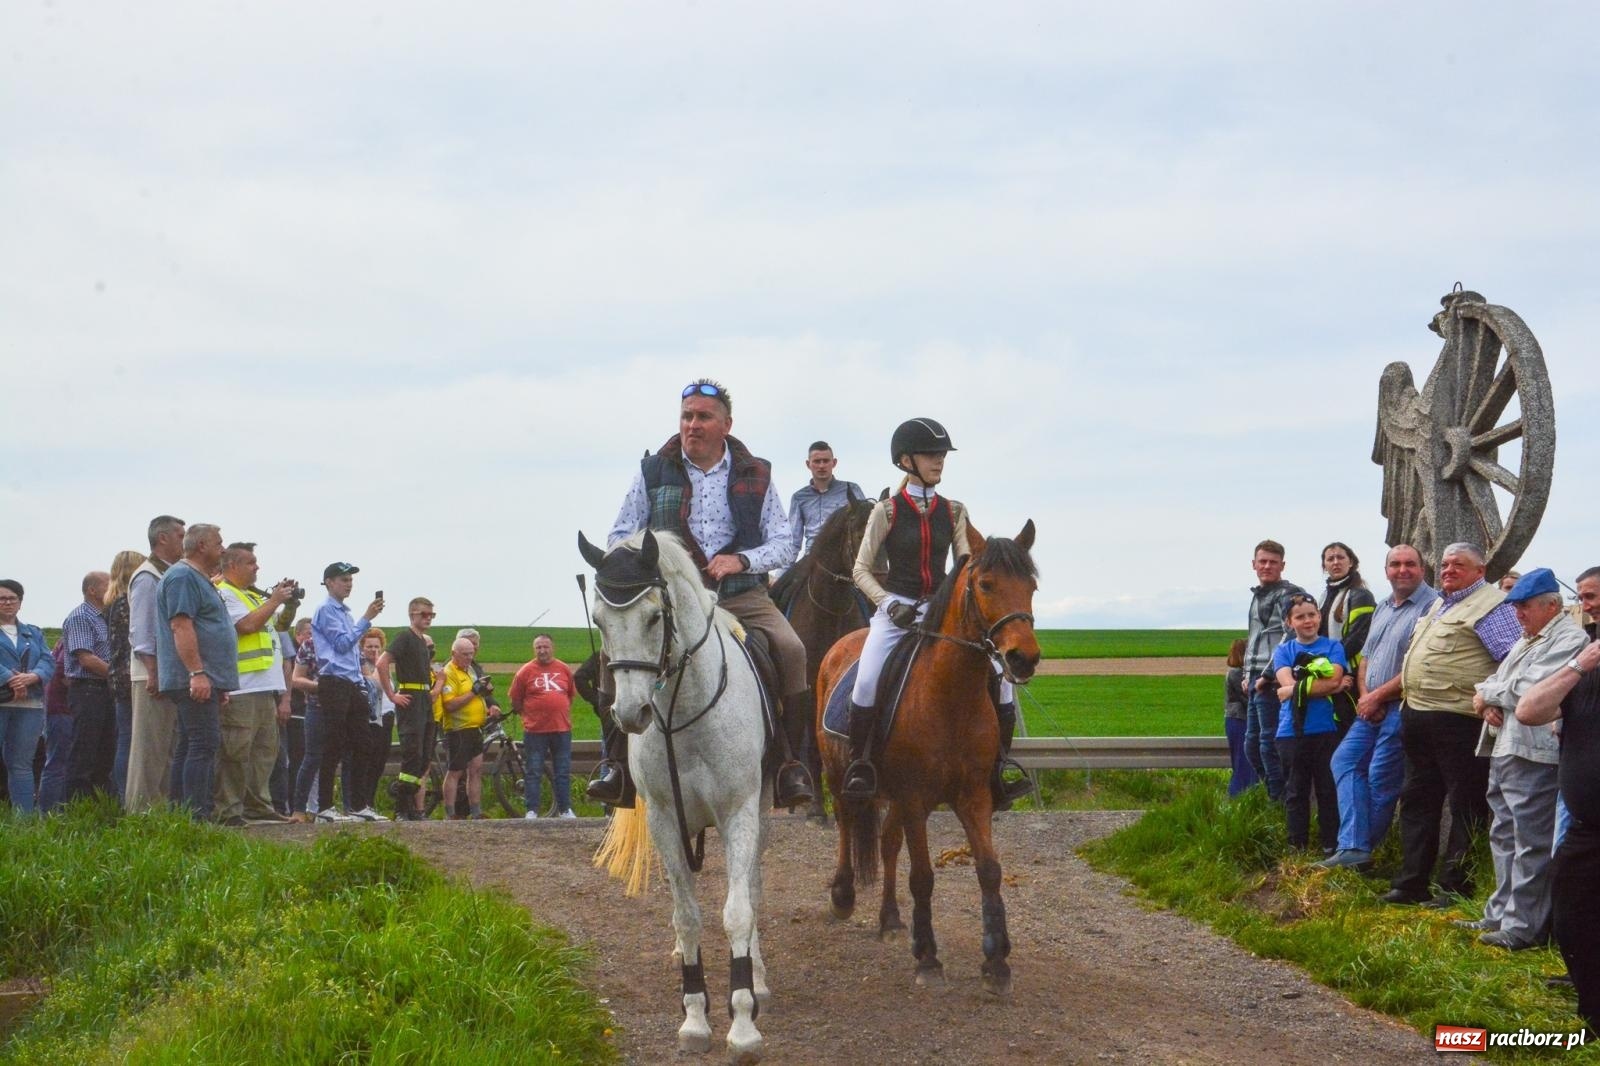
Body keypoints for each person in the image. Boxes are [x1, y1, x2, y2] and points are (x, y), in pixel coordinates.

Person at [597, 378, 813, 809]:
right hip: (672, 601)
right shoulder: (652, 471)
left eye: (703, 417)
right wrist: (654, 563)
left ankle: (790, 763)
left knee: (792, 650)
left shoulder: (757, 474)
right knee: (608, 655)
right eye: (686, 416)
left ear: (726, 425)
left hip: (741, 595)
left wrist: (742, 560)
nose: (692, 425)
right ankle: (615, 765)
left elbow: (785, 543)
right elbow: (619, 535)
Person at [841, 417, 1031, 809]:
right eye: (930, 454)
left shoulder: (955, 511)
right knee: (867, 679)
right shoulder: (887, 511)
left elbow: (965, 564)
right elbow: (861, 570)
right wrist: (889, 604)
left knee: (1002, 681)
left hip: (940, 611)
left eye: (942, 454)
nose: (939, 460)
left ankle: (998, 768)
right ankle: (862, 764)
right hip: (896, 611)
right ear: (906, 460)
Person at [1454, 569, 1587, 948]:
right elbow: (1489, 682)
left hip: (1535, 752)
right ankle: (1500, 914)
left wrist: (1489, 695)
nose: (1518, 614)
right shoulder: (1526, 640)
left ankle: (1523, 927)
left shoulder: (1570, 638)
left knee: (1531, 840)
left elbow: (1530, 690)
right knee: (1503, 833)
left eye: (1525, 606)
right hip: (1505, 746)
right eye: (1516, 607)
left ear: (1552, 605)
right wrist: (1487, 699)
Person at [1383, 542, 1520, 905]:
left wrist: (1494, 700)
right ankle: (1410, 883)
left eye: (1458, 565)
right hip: (1418, 714)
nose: (1448, 570)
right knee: (1417, 800)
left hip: (1461, 720)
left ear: (1480, 570)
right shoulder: (1439, 604)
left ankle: (1455, 888)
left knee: (1466, 803)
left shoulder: (1493, 605)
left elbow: (1513, 659)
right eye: (1444, 565)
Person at [1319, 545, 1438, 870]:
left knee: (1381, 779)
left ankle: (1357, 851)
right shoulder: (1383, 606)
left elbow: (1418, 666)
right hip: (1370, 705)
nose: (1402, 570)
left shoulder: (1433, 607)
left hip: (1403, 706)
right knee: (1344, 760)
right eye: (1395, 564)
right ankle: (1355, 847)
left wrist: (1378, 697)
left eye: (1410, 564)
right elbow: (1366, 658)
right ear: (1386, 571)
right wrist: (1366, 696)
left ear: (1422, 569)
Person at [1515, 600, 1600, 1034]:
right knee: (1571, 916)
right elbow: (1529, 710)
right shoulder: (1585, 671)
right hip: (1586, 829)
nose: (1589, 606)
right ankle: (1592, 1014)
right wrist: (1579, 666)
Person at [154, 524, 239, 821]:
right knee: (203, 743)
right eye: (219, 543)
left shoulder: (196, 577)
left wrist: (218, 682)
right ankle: (196, 816)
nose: (223, 548)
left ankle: (181, 815)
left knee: (190, 744)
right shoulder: (183, 577)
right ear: (202, 545)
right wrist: (197, 673)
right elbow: (181, 625)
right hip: (193, 677)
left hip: (204, 678)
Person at [214, 543, 298, 826]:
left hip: (264, 686)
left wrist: (290, 604)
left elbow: (279, 626)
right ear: (232, 565)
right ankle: (229, 810)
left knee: (264, 752)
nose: (257, 567)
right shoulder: (225, 593)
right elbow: (247, 626)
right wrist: (274, 600)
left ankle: (258, 807)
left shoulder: (250, 595)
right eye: (251, 562)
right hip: (241, 686)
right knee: (236, 751)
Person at [1271, 594, 1347, 852]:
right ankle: (1297, 848)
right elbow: (1287, 682)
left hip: (1326, 729)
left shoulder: (1334, 647)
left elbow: (1333, 681)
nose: (1307, 621)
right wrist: (1321, 687)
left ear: (1319, 616)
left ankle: (1331, 847)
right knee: (1296, 792)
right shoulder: (1284, 651)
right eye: (1300, 617)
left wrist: (1294, 690)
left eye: (1312, 615)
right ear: (1289, 622)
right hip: (1292, 732)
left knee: (1328, 791)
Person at [310, 562, 383, 823]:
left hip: (351, 682)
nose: (349, 584)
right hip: (334, 682)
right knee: (334, 743)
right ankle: (324, 807)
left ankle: (358, 805)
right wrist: (366, 619)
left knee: (363, 742)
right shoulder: (326, 610)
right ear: (329, 582)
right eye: (343, 579)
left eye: (350, 580)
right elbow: (341, 644)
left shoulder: (344, 613)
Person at [126, 515, 185, 812]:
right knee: (149, 749)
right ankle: (140, 813)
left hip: (166, 673)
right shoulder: (148, 576)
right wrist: (154, 671)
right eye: (180, 536)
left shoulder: (166, 574)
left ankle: (158, 811)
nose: (184, 542)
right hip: (152, 674)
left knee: (166, 749)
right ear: (162, 538)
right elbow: (142, 630)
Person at [1241, 540, 1307, 801]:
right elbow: (1254, 638)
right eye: (1262, 561)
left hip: (1273, 681)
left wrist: (1267, 676)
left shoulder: (1288, 594)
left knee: (1269, 746)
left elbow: (1291, 635)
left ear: (1283, 565)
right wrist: (1246, 674)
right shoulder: (1258, 595)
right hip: (1255, 678)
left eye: (1273, 562)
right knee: (1252, 746)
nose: (1267, 566)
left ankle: (1281, 802)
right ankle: (1276, 796)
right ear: (1253, 564)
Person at [377, 598, 437, 821]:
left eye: (431, 615)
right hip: (410, 698)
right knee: (412, 754)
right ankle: (401, 808)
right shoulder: (405, 637)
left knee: (424, 756)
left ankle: (411, 806)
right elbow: (382, 663)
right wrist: (392, 694)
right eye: (424, 614)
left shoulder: (422, 642)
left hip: (425, 700)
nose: (428, 618)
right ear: (412, 615)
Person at [0, 579, 55, 814]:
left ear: (20, 602)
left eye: (12, 598)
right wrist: (10, 679)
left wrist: (32, 677)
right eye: (2, 599)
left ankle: (24, 820)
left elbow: (48, 660)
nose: (7, 603)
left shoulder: (33, 633)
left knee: (21, 764)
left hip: (29, 705)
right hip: (2, 701)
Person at [510, 634, 577, 819]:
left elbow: (570, 695)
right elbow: (516, 700)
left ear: (552, 648)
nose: (542, 651)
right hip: (535, 731)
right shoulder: (525, 672)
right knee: (533, 771)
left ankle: (565, 809)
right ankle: (532, 810)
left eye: (545, 647)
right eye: (538, 647)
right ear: (534, 650)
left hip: (561, 729)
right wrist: (531, 715)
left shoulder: (563, 669)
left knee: (562, 771)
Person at [62, 570, 115, 801]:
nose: (114, 588)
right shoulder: (81, 617)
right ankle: (78, 806)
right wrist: (118, 676)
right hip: (88, 690)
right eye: (108, 584)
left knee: (105, 751)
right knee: (84, 751)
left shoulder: (107, 617)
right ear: (92, 590)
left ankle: (100, 805)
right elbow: (87, 659)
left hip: (106, 691)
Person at [1318, 542, 1376, 735]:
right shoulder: (1323, 596)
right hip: (1327, 674)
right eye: (1330, 559)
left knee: (1348, 730)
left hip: (1351, 676)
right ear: (1324, 565)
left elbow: (1358, 638)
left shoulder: (1361, 595)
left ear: (1351, 562)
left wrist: (1329, 664)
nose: (1336, 562)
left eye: (1341, 557)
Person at [103, 551, 146, 804]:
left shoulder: (113, 602)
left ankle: (123, 797)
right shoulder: (127, 603)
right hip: (130, 675)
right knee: (130, 739)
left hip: (119, 676)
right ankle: (126, 796)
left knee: (126, 737)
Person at [439, 636, 490, 819]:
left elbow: (477, 694)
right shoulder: (449, 672)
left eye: (471, 653)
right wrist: (473, 692)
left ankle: (476, 811)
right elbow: (450, 705)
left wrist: (485, 692)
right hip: (458, 729)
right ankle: (450, 813)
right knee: (455, 771)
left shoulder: (470, 670)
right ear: (454, 653)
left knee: (476, 769)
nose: (469, 658)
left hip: (475, 727)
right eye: (465, 654)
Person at [787, 440, 865, 559]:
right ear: (808, 464)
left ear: (834, 463)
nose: (822, 466)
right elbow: (793, 541)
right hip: (811, 559)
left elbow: (864, 526)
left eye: (826, 461)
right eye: (817, 461)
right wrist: (784, 570)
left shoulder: (852, 490)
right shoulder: (799, 498)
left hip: (844, 557)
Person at [350, 628, 392, 821]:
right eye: (369, 647)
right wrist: (377, 664)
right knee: (368, 761)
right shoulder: (363, 666)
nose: (374, 650)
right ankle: (361, 803)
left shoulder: (384, 667)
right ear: (362, 648)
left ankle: (370, 802)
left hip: (387, 716)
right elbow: (375, 684)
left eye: (377, 647)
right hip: (371, 719)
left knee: (379, 763)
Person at [288, 619, 322, 822]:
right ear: (298, 635)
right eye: (309, 633)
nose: (312, 637)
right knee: (301, 760)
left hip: (315, 709)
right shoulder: (298, 651)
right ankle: (296, 807)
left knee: (318, 760)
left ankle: (316, 807)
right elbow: (293, 679)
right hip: (298, 711)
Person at [1223, 638, 1256, 797]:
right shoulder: (1236, 674)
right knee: (1243, 762)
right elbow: (1247, 699)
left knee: (1244, 761)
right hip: (1239, 720)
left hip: (1237, 719)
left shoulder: (1236, 672)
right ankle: (1238, 795)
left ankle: (1242, 794)